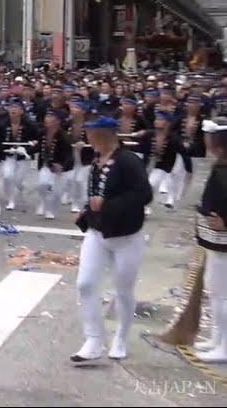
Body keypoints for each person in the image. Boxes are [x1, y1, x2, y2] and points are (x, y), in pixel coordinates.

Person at [72, 115, 152, 363]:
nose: (86, 138)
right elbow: (97, 193)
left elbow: (144, 194)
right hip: (97, 234)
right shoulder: (96, 158)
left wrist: (108, 205)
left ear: (104, 135)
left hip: (127, 236)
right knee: (85, 284)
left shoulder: (128, 161)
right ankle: (94, 339)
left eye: (90, 133)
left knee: (123, 290)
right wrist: (88, 209)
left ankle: (120, 338)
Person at [195, 116, 227, 363]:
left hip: (226, 238)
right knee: (215, 292)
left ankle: (226, 347)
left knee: (225, 295)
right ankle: (217, 338)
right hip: (215, 238)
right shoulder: (221, 165)